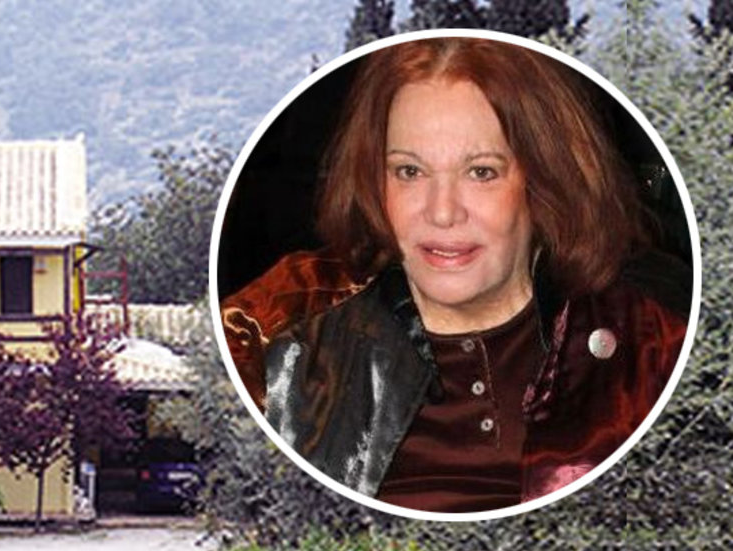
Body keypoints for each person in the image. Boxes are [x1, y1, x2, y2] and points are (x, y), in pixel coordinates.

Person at [220, 37, 689, 513]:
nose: (442, 212)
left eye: (481, 172)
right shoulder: (280, 340)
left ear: (546, 181)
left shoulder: (650, 343)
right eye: (409, 171)